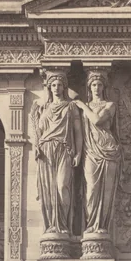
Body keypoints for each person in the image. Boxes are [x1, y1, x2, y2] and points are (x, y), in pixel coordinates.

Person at [30, 69, 82, 237]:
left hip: (64, 149)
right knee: (48, 190)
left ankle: (63, 226)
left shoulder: (71, 106)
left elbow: (78, 132)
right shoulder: (43, 107)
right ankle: (52, 226)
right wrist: (37, 145)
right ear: (49, 87)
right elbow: (38, 130)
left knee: (61, 187)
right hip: (46, 151)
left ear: (64, 86)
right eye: (53, 85)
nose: (57, 87)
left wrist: (79, 152)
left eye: (60, 85)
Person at [74, 70, 122, 237]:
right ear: (89, 87)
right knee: (91, 190)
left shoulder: (110, 105)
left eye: (99, 84)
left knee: (106, 192)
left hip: (107, 149)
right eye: (93, 84)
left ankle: (101, 227)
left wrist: (82, 105)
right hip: (90, 151)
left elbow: (97, 120)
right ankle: (91, 227)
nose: (96, 87)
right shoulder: (84, 108)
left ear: (104, 87)